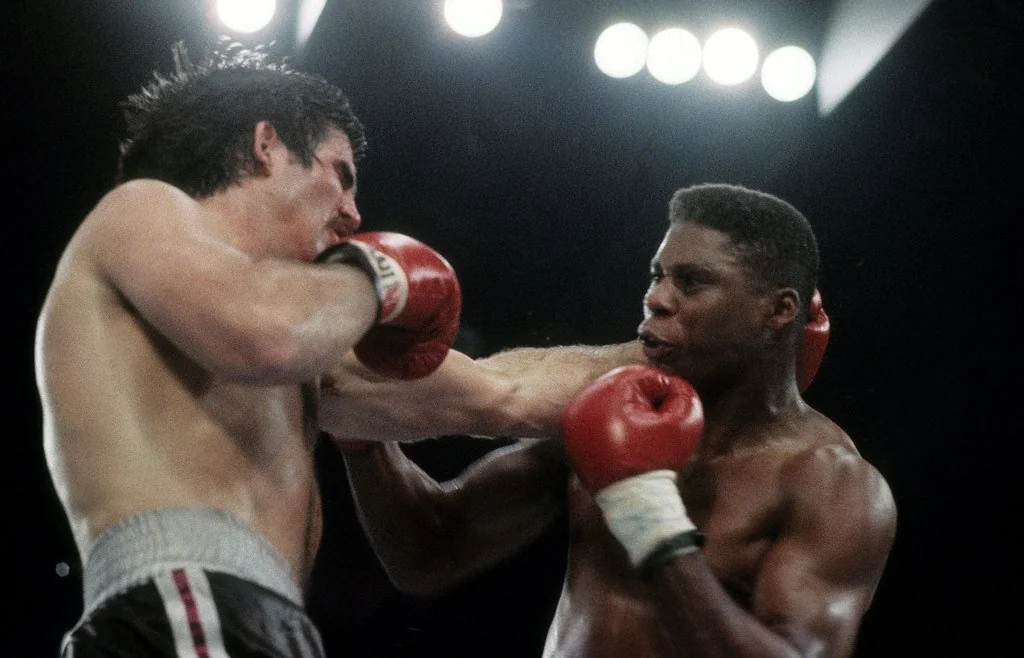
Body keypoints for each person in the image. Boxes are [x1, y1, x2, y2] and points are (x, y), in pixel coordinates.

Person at [320, 183, 897, 657]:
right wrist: (367, 441)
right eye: (656, 275)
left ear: (779, 309)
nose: (657, 299)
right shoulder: (609, 419)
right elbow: (430, 552)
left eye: (692, 282)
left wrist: (650, 518)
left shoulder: (829, 481)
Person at [34, 40, 463, 656]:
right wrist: (380, 273)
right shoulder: (142, 211)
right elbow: (267, 336)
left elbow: (504, 394)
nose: (352, 211)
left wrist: (646, 364)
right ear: (268, 145)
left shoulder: (314, 331)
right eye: (339, 174)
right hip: (185, 600)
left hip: (260, 623)